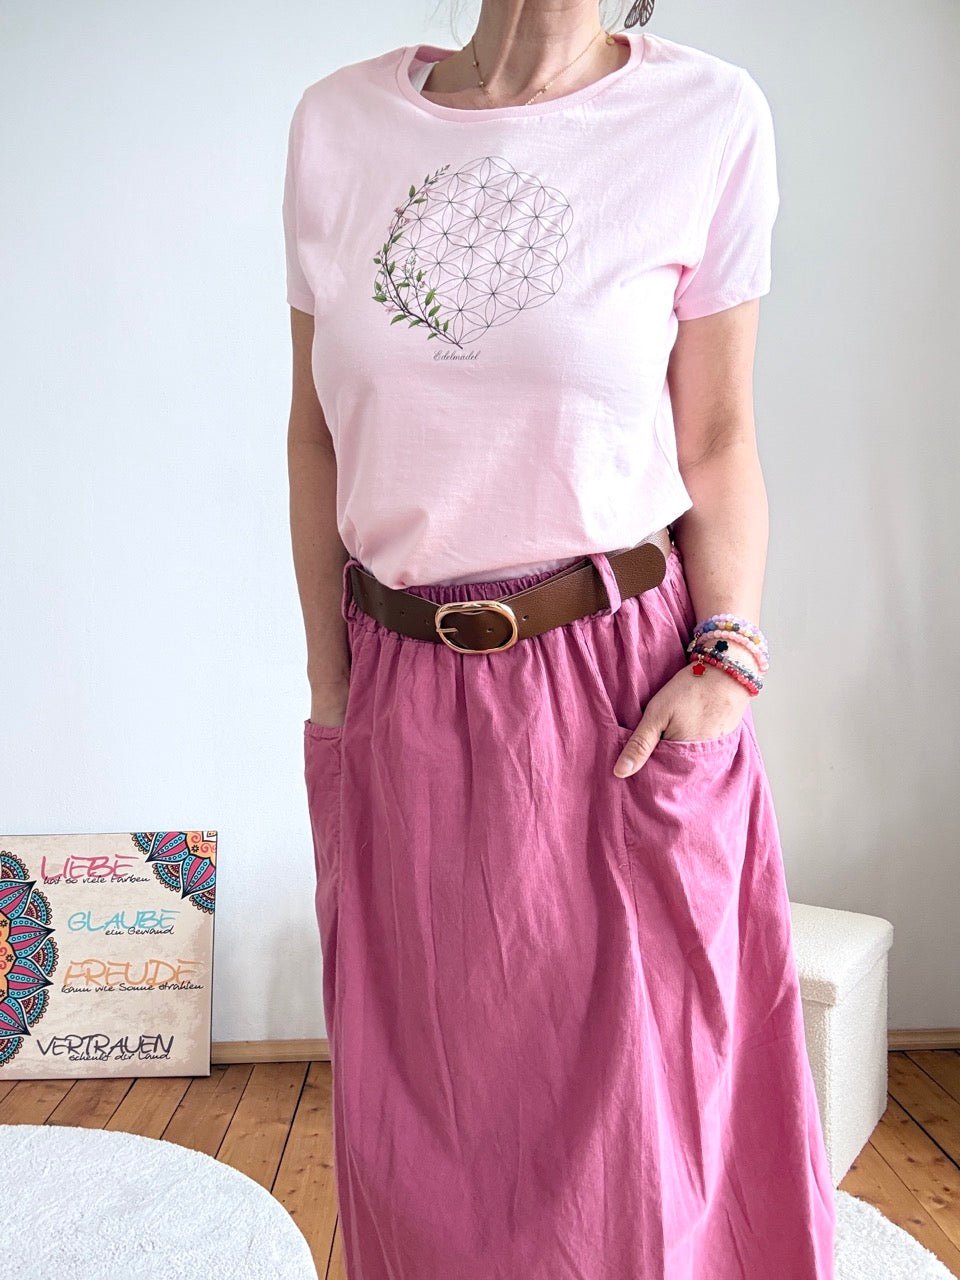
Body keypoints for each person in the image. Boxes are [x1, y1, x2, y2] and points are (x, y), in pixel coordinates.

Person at [285, 2, 837, 1276]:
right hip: (402, 687)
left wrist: (727, 661)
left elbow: (718, 438)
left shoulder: (704, 115)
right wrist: (332, 684)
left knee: (643, 1154)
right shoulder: (337, 125)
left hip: (618, 694)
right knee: (422, 1135)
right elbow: (314, 435)